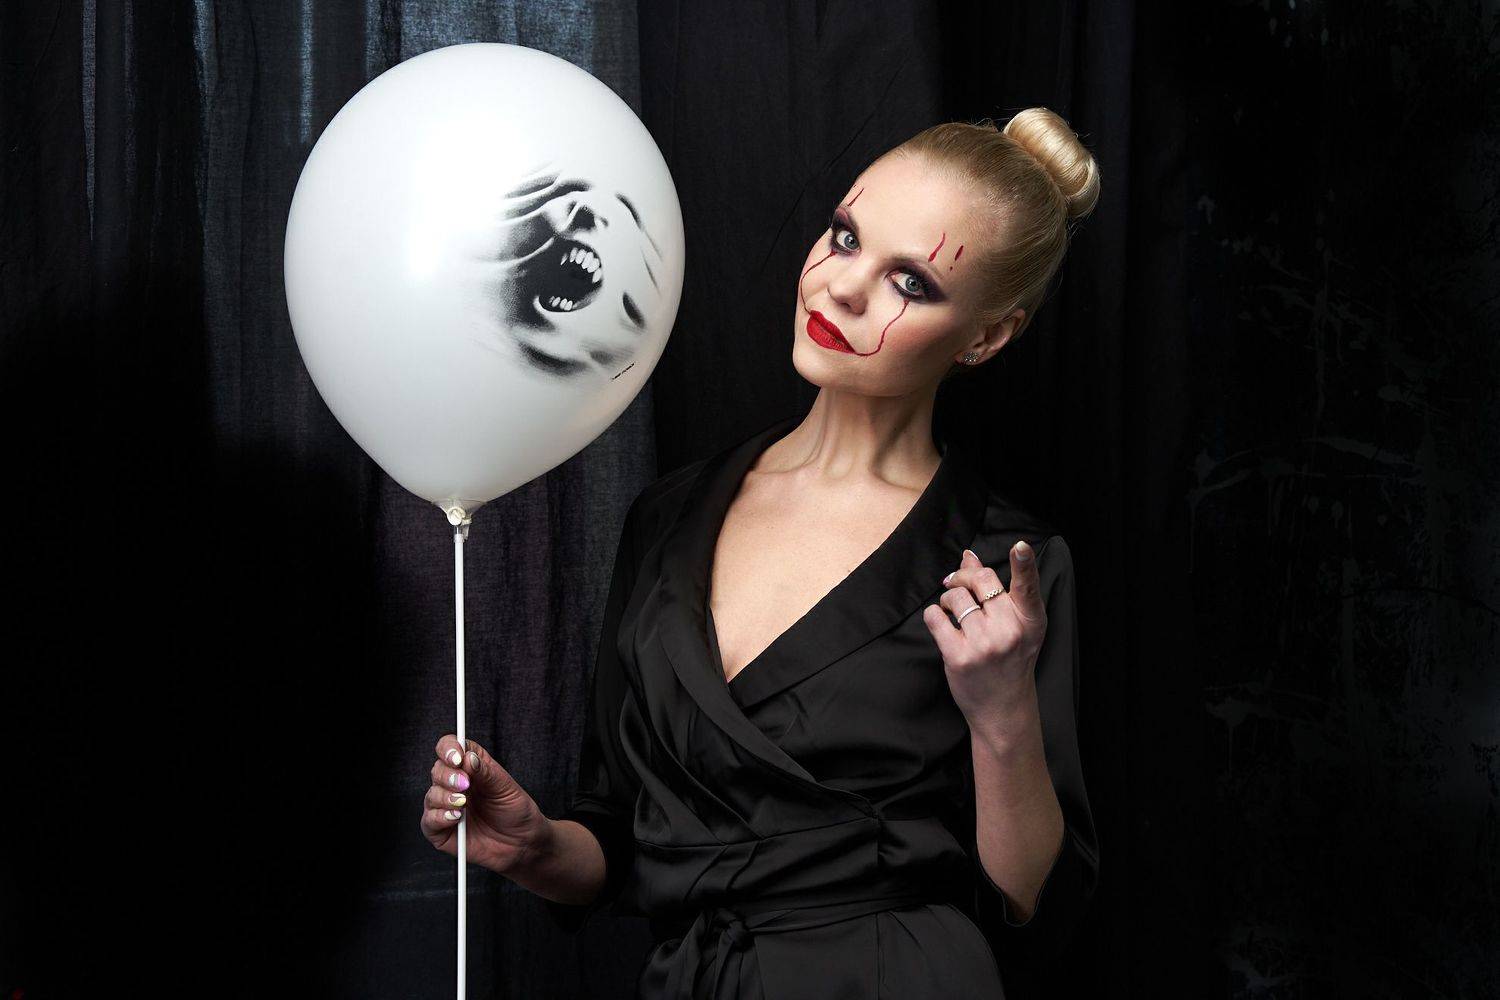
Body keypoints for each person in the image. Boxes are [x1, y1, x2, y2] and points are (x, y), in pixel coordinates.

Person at [421, 108, 1102, 999]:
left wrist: (1002, 711)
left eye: (911, 280)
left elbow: (1031, 900)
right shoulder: (668, 516)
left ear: (986, 336)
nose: (843, 288)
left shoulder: (1005, 564)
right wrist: (537, 849)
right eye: (845, 236)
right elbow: (622, 835)